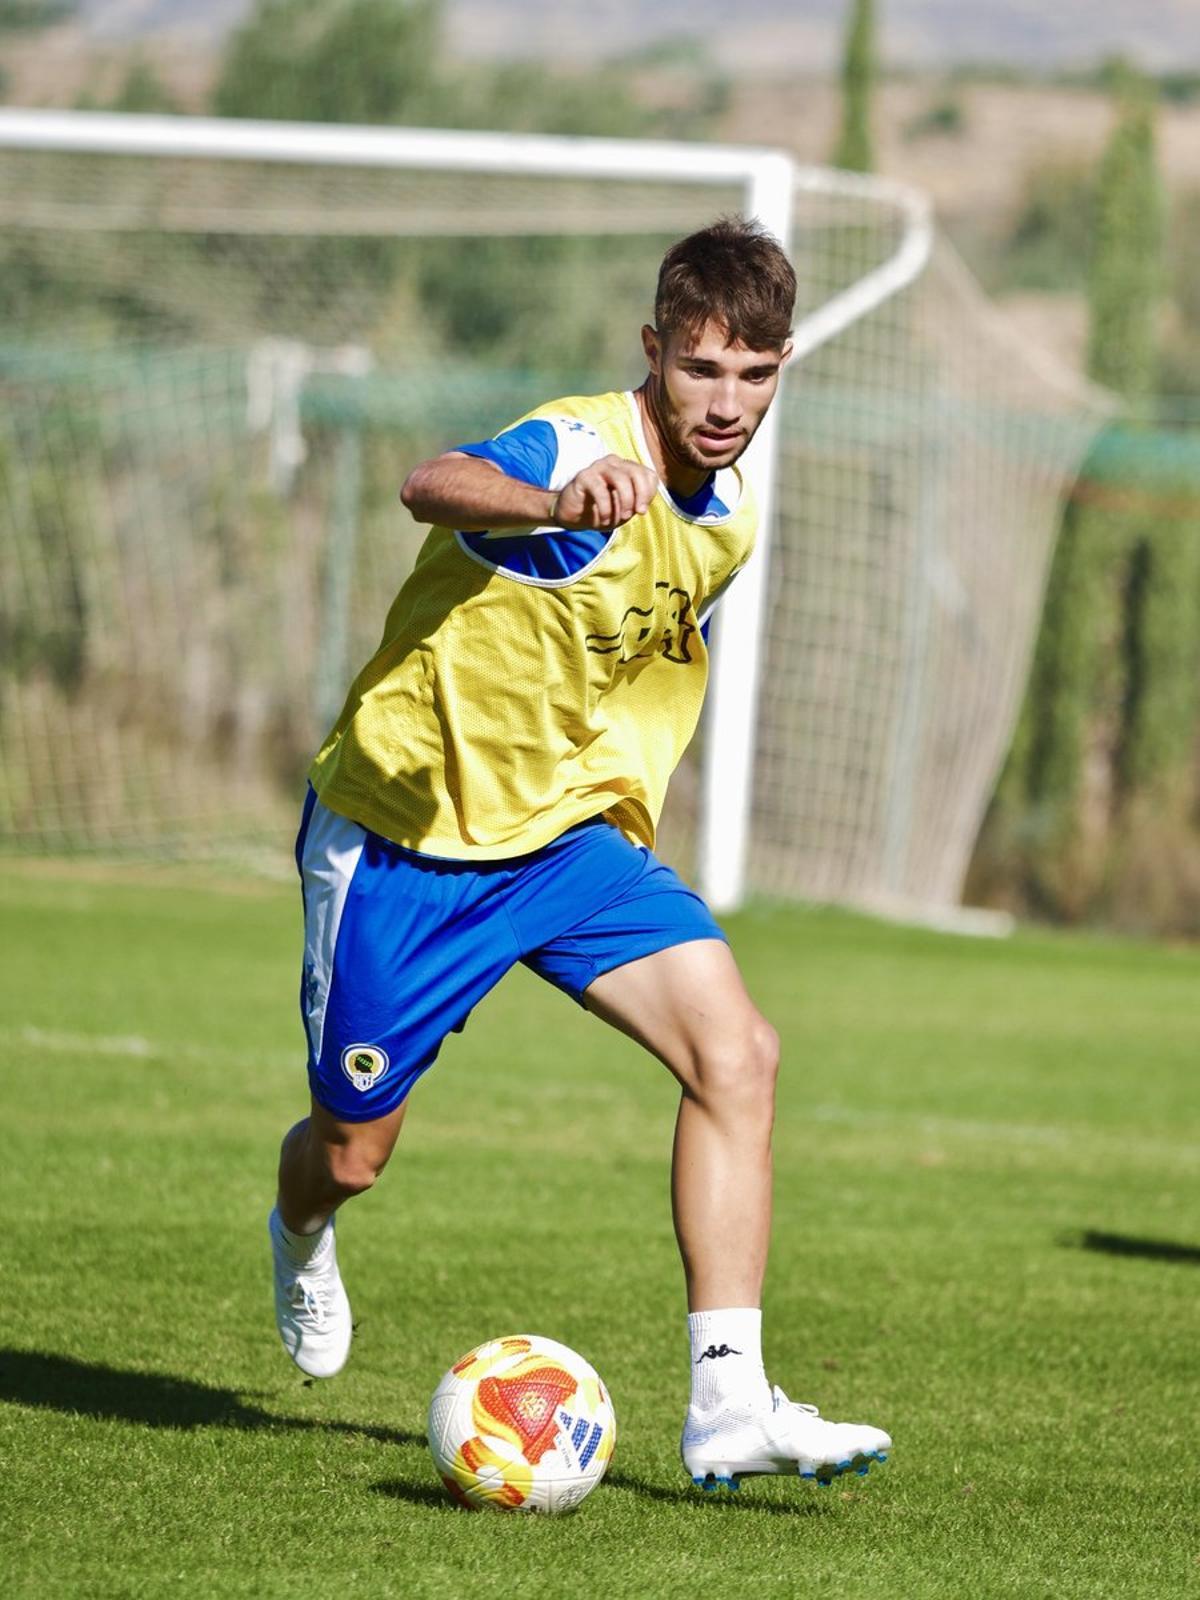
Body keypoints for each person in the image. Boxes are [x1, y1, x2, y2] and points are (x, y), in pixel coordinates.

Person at [269, 217, 892, 1491]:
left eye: (754, 373)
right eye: (701, 368)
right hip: (408, 845)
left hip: (563, 844)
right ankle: (299, 1227)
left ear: (782, 368)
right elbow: (430, 483)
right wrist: (553, 503)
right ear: (653, 351)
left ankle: (727, 1403)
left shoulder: (728, 521)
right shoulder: (576, 445)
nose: (726, 403)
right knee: (351, 1152)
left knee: (738, 1054)